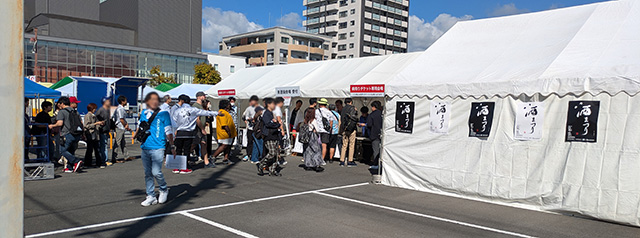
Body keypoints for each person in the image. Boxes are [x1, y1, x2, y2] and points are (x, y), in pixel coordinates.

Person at [137, 92, 175, 207]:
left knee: (156, 171)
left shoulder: (164, 114)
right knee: (147, 173)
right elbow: (140, 127)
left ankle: (163, 189)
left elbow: (168, 131)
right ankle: (151, 195)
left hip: (158, 146)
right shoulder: (144, 113)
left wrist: (172, 146)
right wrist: (135, 136)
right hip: (145, 146)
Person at [172, 94, 218, 174]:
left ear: (182, 101)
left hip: (179, 132)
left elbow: (174, 120)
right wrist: (217, 113)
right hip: (189, 132)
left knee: (179, 149)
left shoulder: (177, 110)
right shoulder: (193, 109)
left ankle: (176, 167)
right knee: (186, 150)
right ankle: (184, 167)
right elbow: (205, 112)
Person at [49, 96, 84, 173]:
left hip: (67, 134)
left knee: (63, 151)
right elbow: (81, 123)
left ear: (62, 104)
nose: (58, 105)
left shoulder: (62, 112)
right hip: (76, 134)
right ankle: (69, 167)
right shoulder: (75, 111)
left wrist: (52, 125)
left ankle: (76, 161)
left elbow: (60, 123)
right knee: (71, 151)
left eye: (59, 103)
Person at [258, 98, 282, 176]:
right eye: (273, 104)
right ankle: (261, 165)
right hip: (269, 135)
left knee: (276, 154)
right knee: (272, 153)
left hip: (275, 135)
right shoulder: (266, 113)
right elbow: (268, 124)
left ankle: (272, 170)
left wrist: (276, 124)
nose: (274, 105)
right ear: (269, 104)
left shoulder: (271, 113)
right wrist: (277, 124)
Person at [210, 99, 237, 167]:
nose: (229, 105)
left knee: (227, 146)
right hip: (225, 133)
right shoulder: (222, 112)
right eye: (228, 104)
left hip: (229, 133)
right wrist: (229, 132)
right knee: (224, 145)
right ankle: (213, 157)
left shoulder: (226, 112)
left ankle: (226, 159)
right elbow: (224, 125)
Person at [112, 95, 133, 163]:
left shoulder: (121, 108)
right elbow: (121, 119)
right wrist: (125, 125)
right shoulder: (120, 109)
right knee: (117, 143)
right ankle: (114, 158)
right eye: (125, 100)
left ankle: (126, 156)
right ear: (122, 101)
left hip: (121, 127)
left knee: (123, 142)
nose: (126, 102)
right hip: (120, 127)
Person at [339, 98, 358, 167]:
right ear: (351, 102)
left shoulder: (343, 109)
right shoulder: (353, 108)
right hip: (352, 129)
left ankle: (342, 160)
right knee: (351, 145)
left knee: (344, 145)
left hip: (344, 128)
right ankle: (350, 160)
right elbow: (355, 118)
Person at [83, 103, 103, 168]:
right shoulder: (88, 116)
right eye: (94, 108)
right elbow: (86, 125)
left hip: (95, 134)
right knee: (90, 149)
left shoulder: (94, 116)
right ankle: (88, 163)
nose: (95, 110)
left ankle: (98, 163)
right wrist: (95, 123)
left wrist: (100, 124)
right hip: (91, 134)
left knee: (96, 149)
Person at [192, 92, 209, 164]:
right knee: (193, 144)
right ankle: (185, 159)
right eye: (203, 96)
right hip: (197, 129)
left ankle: (206, 161)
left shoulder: (200, 106)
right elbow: (197, 119)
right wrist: (202, 128)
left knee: (204, 144)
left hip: (201, 128)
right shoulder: (196, 106)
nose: (205, 97)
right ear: (199, 97)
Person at [95, 98, 112, 166]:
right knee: (103, 145)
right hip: (102, 130)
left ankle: (104, 159)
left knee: (104, 144)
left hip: (106, 129)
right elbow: (96, 118)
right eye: (108, 101)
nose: (109, 102)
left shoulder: (108, 110)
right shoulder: (101, 110)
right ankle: (104, 160)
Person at [242, 95, 259, 162]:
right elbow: (244, 116)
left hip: (257, 128)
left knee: (257, 142)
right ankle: (248, 154)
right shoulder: (248, 109)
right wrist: (248, 119)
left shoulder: (260, 108)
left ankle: (256, 156)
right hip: (250, 128)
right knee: (250, 142)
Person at [367, 101, 383, 170]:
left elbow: (369, 124)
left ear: (374, 107)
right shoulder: (382, 114)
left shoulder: (371, 115)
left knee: (376, 150)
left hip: (374, 134)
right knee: (381, 150)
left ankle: (376, 164)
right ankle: (381, 163)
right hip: (382, 134)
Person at [315, 98, 332, 164]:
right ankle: (322, 159)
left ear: (320, 104)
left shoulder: (316, 111)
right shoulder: (328, 112)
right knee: (324, 146)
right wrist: (329, 129)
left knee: (317, 145)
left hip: (318, 130)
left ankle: (317, 159)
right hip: (325, 131)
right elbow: (331, 121)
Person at [273, 97, 287, 165]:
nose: (283, 104)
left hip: (274, 129)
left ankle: (278, 158)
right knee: (278, 144)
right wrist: (282, 130)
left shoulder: (274, 108)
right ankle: (278, 158)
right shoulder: (277, 109)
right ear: (280, 102)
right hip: (277, 129)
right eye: (283, 103)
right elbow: (279, 119)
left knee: (276, 145)